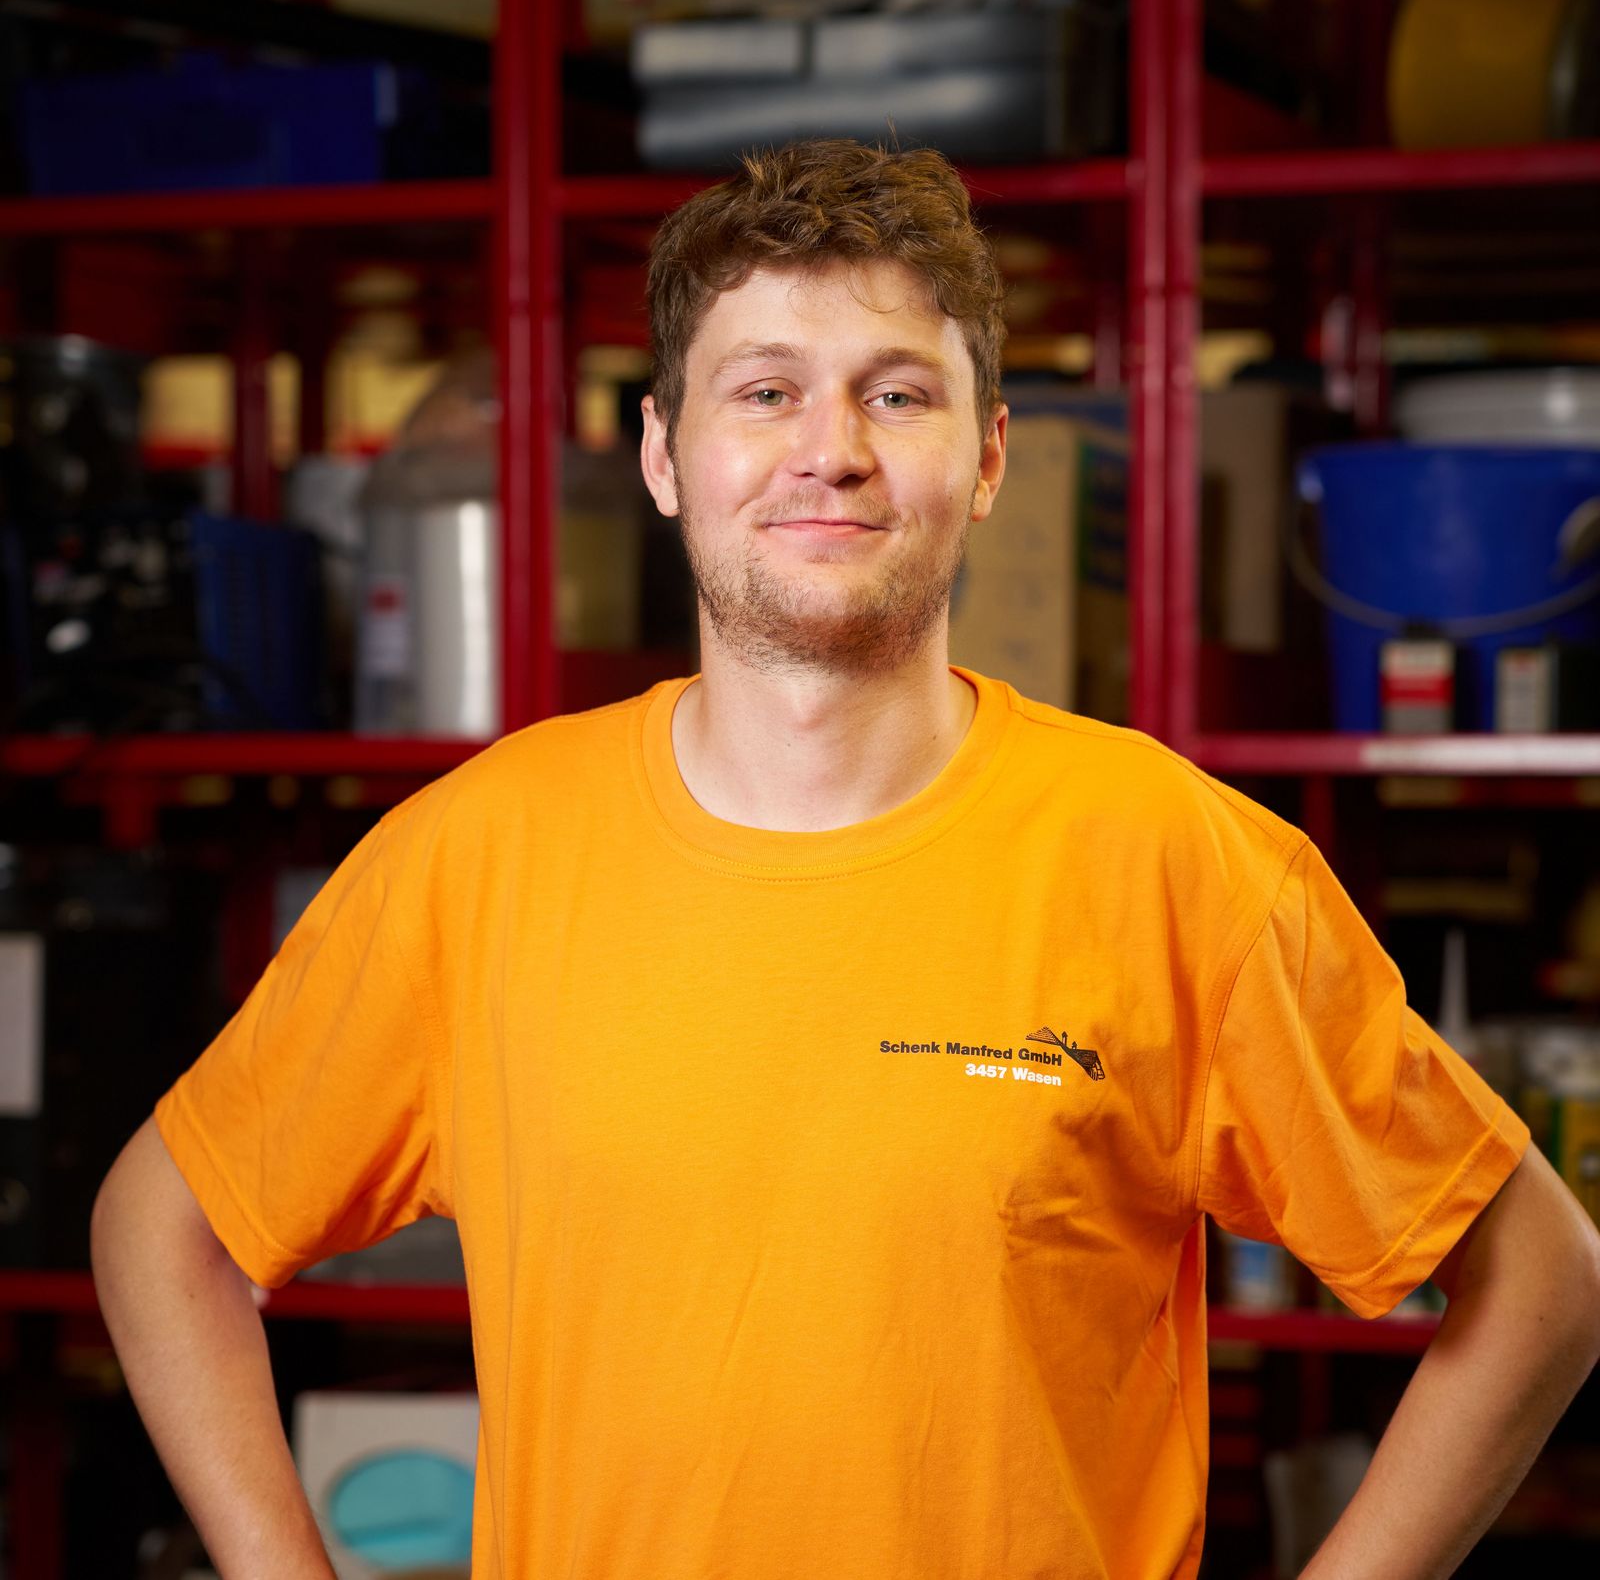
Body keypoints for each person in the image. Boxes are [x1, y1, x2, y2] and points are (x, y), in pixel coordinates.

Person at [93, 139, 1600, 1580]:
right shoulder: (474, 858)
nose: (832, 450)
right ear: (664, 455)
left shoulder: (1169, 859)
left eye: (897, 392)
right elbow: (166, 1226)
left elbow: (1543, 1277)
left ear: (989, 456)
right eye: (766, 391)